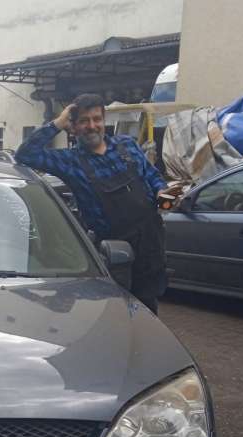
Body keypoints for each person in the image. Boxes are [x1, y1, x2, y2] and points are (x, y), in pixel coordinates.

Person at [15, 93, 169, 313]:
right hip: (113, 257)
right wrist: (58, 123)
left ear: (104, 121)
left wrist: (163, 191)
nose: (92, 126)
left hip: (149, 247)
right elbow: (25, 154)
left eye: (97, 119)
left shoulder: (127, 146)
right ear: (74, 126)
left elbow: (152, 176)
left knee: (148, 313)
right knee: (113, 313)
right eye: (84, 121)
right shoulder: (69, 161)